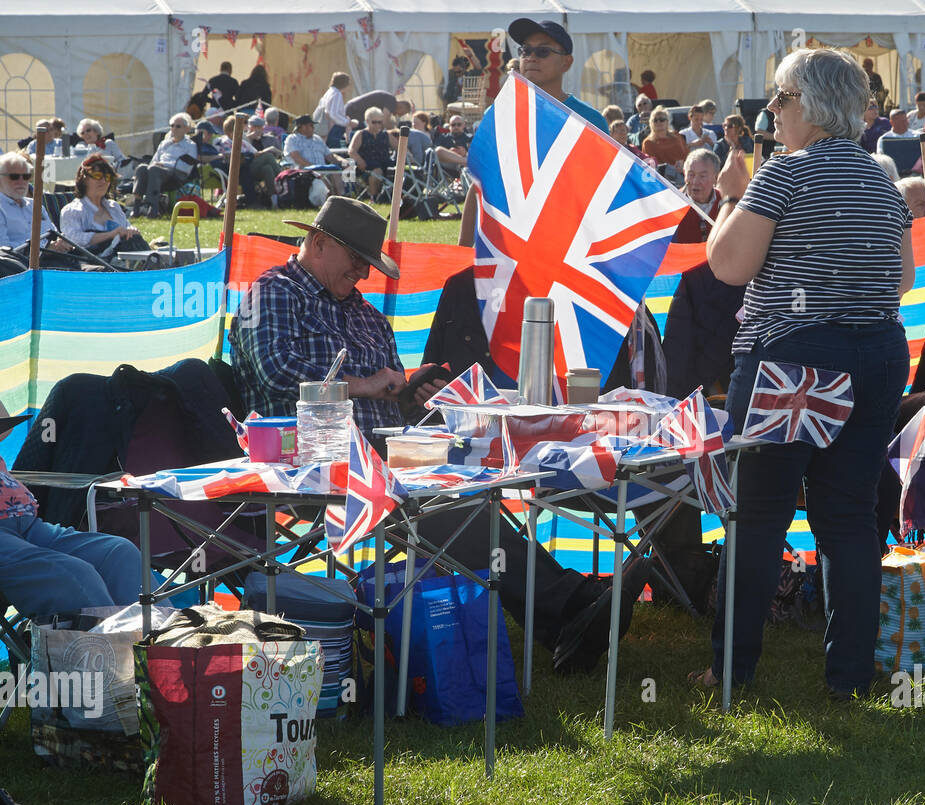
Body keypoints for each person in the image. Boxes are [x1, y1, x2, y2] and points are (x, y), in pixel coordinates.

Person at [231, 196, 649, 671]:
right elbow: (276, 371)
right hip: (310, 465)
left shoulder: (365, 314)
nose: (364, 275)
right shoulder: (271, 293)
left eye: (368, 265)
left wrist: (415, 390)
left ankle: (566, 615)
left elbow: (391, 394)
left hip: (386, 456)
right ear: (320, 243)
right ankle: (572, 607)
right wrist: (370, 385)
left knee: (470, 494)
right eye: (357, 261)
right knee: (449, 515)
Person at [695, 47, 914, 697]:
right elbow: (899, 279)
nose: (772, 112)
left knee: (758, 514)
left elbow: (728, 267)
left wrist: (732, 199)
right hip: (877, 351)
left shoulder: (784, 175)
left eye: (779, 100)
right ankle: (848, 676)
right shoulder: (881, 176)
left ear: (804, 104)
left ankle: (730, 671)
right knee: (847, 515)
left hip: (792, 355)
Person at [458, 19, 607, 248]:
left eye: (543, 51)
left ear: (566, 63)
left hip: (566, 248)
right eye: (525, 50)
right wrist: (463, 253)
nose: (531, 57)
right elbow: (479, 186)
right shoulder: (498, 114)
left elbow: (601, 196)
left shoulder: (591, 121)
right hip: (505, 247)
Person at [0, 400, 144, 616]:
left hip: (26, 523)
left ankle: (162, 645)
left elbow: (5, 426)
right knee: (71, 573)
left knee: (119, 554)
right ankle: (114, 647)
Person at [59, 154, 147, 256]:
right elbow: (73, 240)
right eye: (97, 175)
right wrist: (111, 235)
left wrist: (132, 230)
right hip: (94, 263)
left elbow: (126, 227)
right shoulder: (73, 210)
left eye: (108, 177)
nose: (103, 181)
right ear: (84, 179)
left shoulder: (114, 207)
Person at [0, 152, 74, 265]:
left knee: (102, 271)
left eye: (26, 176)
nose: (21, 181)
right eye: (14, 176)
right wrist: (44, 249)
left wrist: (61, 242)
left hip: (57, 261)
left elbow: (53, 233)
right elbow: (3, 251)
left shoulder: (35, 205)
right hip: (22, 269)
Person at [131, 113, 197, 218]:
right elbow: (154, 161)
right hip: (158, 170)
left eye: (178, 126)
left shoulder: (190, 145)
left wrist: (165, 165)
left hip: (176, 173)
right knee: (142, 168)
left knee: (154, 169)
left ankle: (153, 209)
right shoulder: (164, 144)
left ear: (186, 129)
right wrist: (157, 165)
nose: (174, 128)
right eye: (172, 126)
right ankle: (137, 206)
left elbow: (187, 167)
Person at [284, 114, 343, 195]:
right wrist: (314, 168)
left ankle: (342, 198)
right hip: (305, 171)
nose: (313, 128)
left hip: (323, 169)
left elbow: (329, 156)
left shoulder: (317, 139)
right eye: (311, 125)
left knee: (335, 172)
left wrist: (342, 161)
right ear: (302, 127)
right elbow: (296, 157)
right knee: (322, 178)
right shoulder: (292, 139)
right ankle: (329, 199)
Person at [673, 148, 722, 243]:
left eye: (702, 176)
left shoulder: (726, 203)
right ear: (684, 173)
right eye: (691, 175)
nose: (695, 182)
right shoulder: (673, 203)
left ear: (715, 177)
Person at [349, 107, 394, 202]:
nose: (377, 125)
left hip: (385, 163)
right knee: (377, 171)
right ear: (367, 121)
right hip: (367, 165)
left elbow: (400, 147)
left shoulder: (386, 135)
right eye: (374, 122)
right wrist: (360, 161)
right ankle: (373, 197)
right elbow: (352, 151)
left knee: (397, 170)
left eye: (380, 122)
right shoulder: (361, 134)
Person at [315, 72, 353, 149]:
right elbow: (333, 114)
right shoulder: (336, 94)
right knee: (334, 149)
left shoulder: (330, 92)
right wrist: (347, 122)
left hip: (325, 128)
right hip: (333, 129)